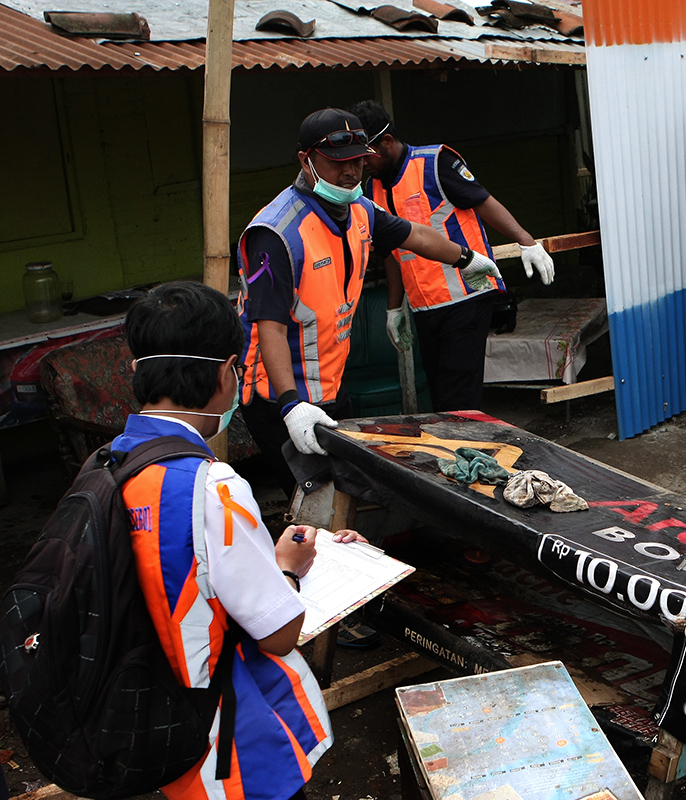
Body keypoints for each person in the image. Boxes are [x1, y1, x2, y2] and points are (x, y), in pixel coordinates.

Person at [119, 280, 369, 800]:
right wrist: (286, 570)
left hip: (145, 709)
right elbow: (277, 634)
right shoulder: (212, 486)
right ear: (225, 373)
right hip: (223, 739)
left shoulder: (108, 466)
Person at [236, 107, 501, 495]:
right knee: (315, 501)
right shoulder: (276, 233)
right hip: (279, 396)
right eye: (337, 162)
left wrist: (466, 258)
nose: (350, 172)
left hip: (330, 385)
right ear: (305, 160)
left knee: (342, 496)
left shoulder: (359, 210)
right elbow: (269, 325)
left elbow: (415, 236)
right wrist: (291, 405)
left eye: (359, 161)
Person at [348, 99, 556, 412]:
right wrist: (394, 309)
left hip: (467, 296)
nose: (363, 164)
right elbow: (391, 253)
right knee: (441, 395)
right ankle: (460, 454)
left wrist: (525, 240)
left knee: (458, 397)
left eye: (368, 155)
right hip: (425, 308)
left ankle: (468, 456)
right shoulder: (372, 188)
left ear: (387, 142)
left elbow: (482, 201)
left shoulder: (434, 162)